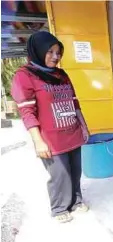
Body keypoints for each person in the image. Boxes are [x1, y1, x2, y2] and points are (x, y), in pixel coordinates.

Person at [11, 31, 90, 223]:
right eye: (50, 52)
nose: (55, 56)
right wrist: (38, 141)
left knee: (75, 170)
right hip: (50, 138)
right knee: (59, 174)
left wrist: (84, 126)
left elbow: (74, 102)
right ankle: (59, 207)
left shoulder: (62, 75)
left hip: (72, 131)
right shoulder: (25, 76)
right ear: (38, 51)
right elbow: (27, 112)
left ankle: (76, 201)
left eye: (58, 52)